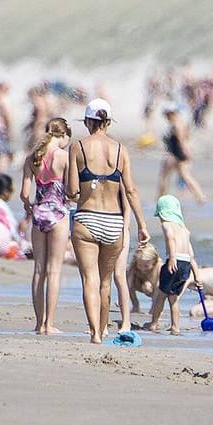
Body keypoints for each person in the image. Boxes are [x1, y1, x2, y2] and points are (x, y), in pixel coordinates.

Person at [66, 99, 149, 343]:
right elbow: (132, 191)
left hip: (87, 219)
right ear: (108, 122)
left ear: (89, 122)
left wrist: (81, 189)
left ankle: (95, 333)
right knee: (105, 281)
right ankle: (103, 328)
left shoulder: (78, 147)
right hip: (114, 222)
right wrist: (143, 225)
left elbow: (72, 190)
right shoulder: (121, 150)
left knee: (89, 279)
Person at [23, 117, 72, 335]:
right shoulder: (64, 157)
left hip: (39, 212)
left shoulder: (32, 158)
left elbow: (24, 194)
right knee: (54, 270)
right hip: (58, 213)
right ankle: (49, 324)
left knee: (39, 270)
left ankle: (38, 322)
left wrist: (29, 206)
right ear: (63, 136)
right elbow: (72, 191)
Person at [147, 195, 202, 334]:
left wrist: (171, 258)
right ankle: (175, 327)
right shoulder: (185, 230)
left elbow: (170, 238)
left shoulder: (166, 225)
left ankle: (154, 324)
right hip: (186, 265)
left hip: (174, 261)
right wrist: (197, 276)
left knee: (160, 295)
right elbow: (191, 256)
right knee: (174, 298)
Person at [158, 104, 207, 203]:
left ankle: (162, 197)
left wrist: (186, 151)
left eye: (167, 115)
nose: (166, 117)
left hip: (176, 153)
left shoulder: (177, 125)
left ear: (171, 114)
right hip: (178, 152)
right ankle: (200, 196)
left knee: (164, 175)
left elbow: (181, 140)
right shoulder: (180, 123)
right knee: (185, 176)